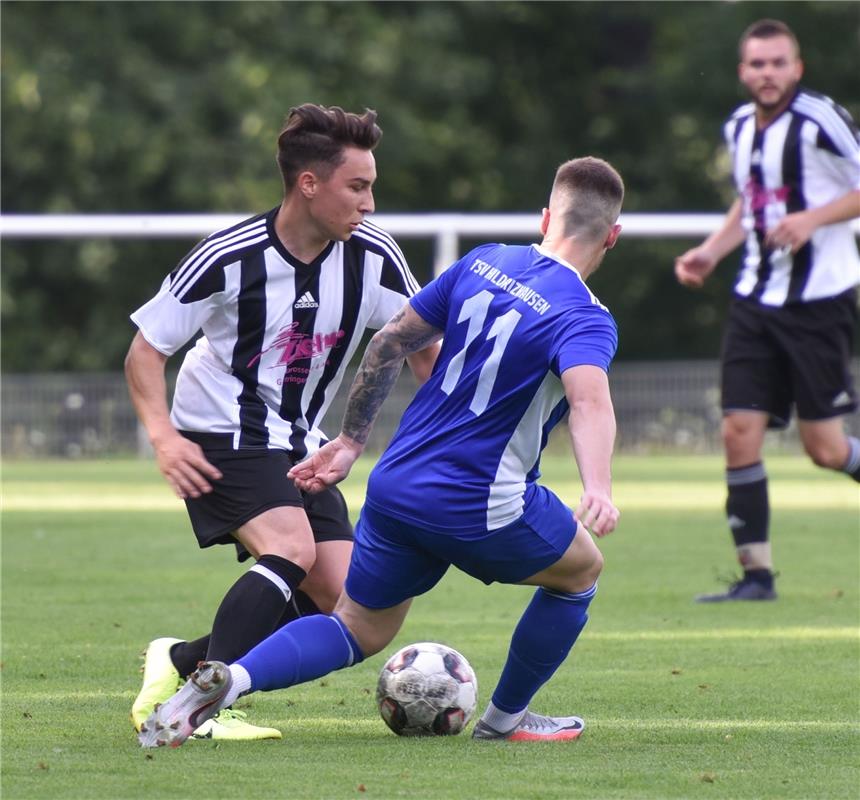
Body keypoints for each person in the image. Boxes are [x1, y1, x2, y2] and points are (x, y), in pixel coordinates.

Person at [137, 155, 625, 749]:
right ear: (613, 236)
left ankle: (231, 677)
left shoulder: (485, 261)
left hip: (396, 485)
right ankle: (505, 722)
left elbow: (391, 340)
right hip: (480, 500)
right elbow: (590, 400)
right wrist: (596, 485)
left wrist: (350, 442)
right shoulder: (586, 317)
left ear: (546, 216)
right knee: (581, 572)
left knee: (356, 627)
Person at [125, 103, 437, 740]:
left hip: (302, 442)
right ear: (309, 184)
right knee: (289, 548)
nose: (370, 203)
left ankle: (182, 661)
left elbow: (423, 347)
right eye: (358, 186)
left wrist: (442, 444)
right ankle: (209, 704)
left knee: (350, 604)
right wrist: (162, 436)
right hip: (222, 433)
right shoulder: (227, 257)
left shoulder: (373, 258)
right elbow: (145, 351)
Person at [674, 19, 860, 603]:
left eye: (778, 62)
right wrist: (710, 251)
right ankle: (756, 577)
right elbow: (750, 202)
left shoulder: (819, 120)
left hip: (820, 303)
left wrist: (812, 219)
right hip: (755, 300)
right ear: (742, 72)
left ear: (797, 68)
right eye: (757, 64)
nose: (768, 73)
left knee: (826, 450)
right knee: (737, 431)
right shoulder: (737, 128)